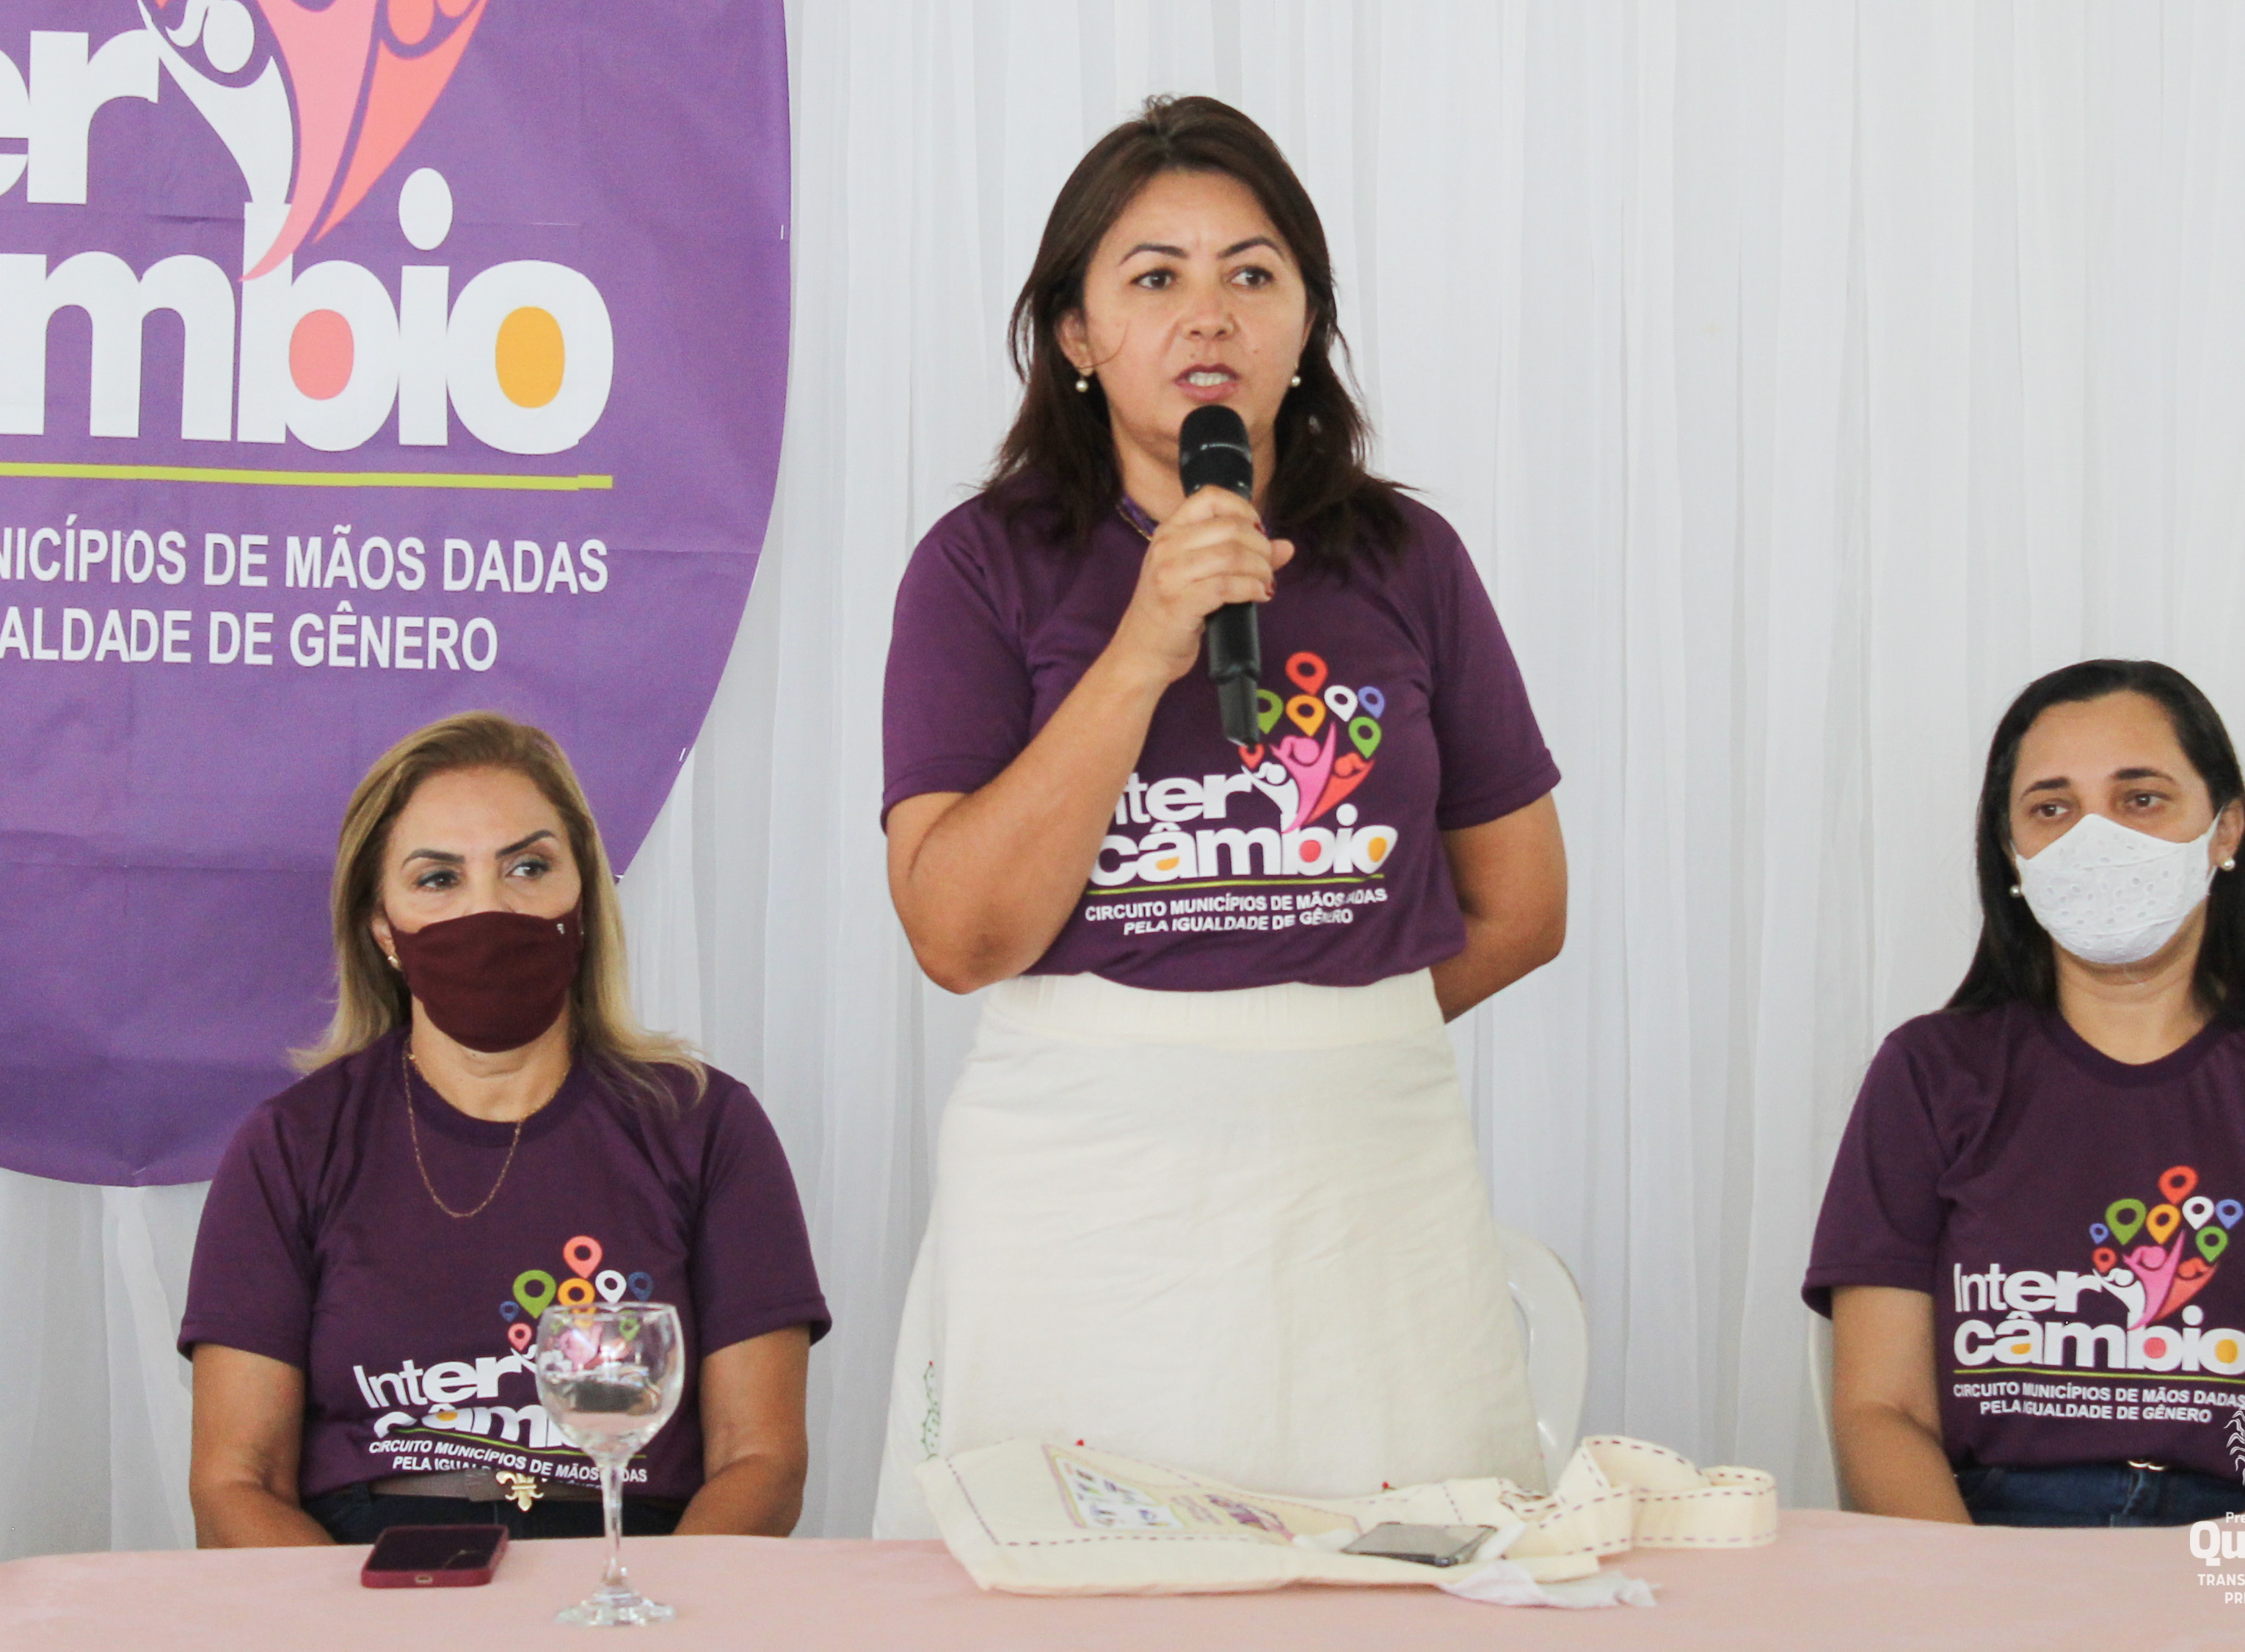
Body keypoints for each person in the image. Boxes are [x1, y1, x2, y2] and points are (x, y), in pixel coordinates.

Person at [873, 95, 1566, 1535]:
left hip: (1371, 1179)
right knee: (1084, 1585)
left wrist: (1310, 1016)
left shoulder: (1407, 558)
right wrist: (1143, 645)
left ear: (1304, 320)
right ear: (1075, 333)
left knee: (1408, 1578)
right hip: (1083, 1190)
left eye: (1252, 273)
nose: (1209, 313)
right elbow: (955, 936)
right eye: (1155, 276)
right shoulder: (980, 566)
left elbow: (1522, 905)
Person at [1804, 660, 2245, 1527]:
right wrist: (1974, 1586)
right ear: (2009, 851)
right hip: (1984, 1537)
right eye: (2051, 808)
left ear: (2224, 828)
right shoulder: (1927, 1070)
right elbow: (1880, 1412)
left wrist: (2220, 1581)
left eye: (2139, 798)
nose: (2093, 838)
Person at [183, 713, 829, 1546]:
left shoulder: (706, 1126)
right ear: (382, 928)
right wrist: (350, 1616)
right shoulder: (292, 1145)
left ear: (584, 898)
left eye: (528, 866)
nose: (489, 907)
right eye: (437, 878)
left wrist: (643, 1606)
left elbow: (761, 1461)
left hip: (628, 1561)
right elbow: (235, 1483)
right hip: (367, 1572)